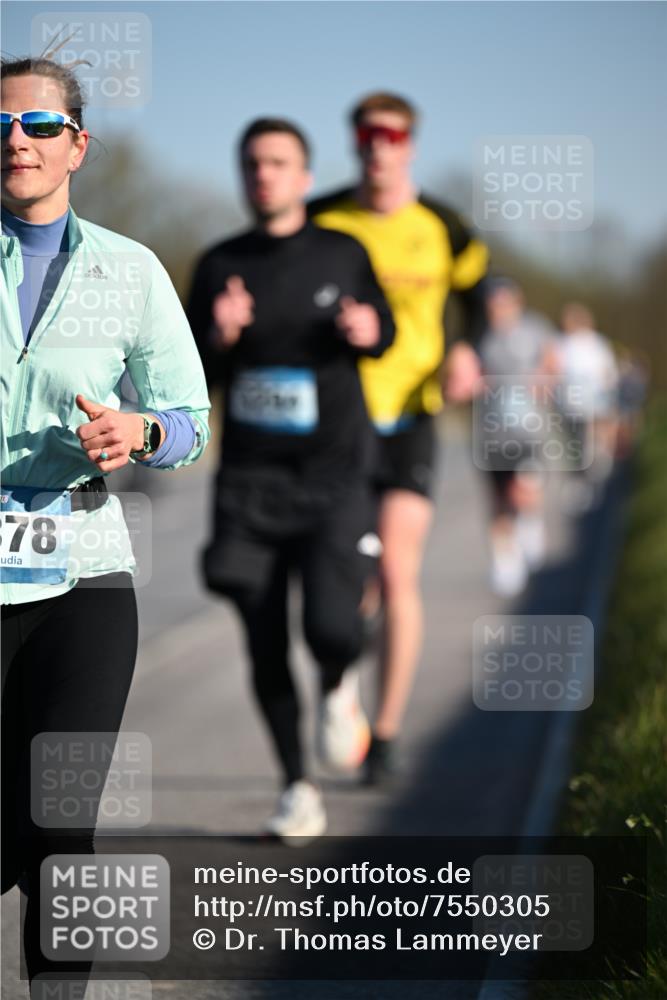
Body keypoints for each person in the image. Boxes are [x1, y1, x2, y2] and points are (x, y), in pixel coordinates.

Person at [1, 57, 210, 988]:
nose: (17, 140)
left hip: (83, 576)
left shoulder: (131, 270)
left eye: (41, 126)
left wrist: (142, 429)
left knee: (59, 825)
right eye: (2, 125)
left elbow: (189, 423)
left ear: (77, 145)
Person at [187, 118, 394, 842]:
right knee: (262, 636)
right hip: (249, 484)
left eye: (277, 163)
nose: (263, 175)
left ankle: (339, 681)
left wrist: (372, 333)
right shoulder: (219, 264)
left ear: (305, 176)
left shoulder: (343, 252)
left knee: (330, 627)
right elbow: (190, 382)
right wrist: (219, 336)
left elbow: (385, 330)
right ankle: (296, 786)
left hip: (334, 476)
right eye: (252, 163)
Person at [309, 92, 488, 782]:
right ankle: (341, 686)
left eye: (391, 135)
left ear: (409, 142)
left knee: (395, 569)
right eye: (366, 136)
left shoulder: (443, 224)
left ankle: (382, 737)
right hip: (341, 421)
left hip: (412, 415)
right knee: (352, 581)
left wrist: (467, 348)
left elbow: (477, 294)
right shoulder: (324, 219)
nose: (378, 147)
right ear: (353, 142)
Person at [475, 278, 557, 596]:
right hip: (492, 431)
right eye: (493, 303)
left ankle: (530, 522)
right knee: (497, 499)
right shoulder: (481, 334)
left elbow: (553, 361)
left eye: (503, 302)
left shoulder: (535, 328)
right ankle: (505, 561)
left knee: (524, 485)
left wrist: (545, 380)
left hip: (529, 428)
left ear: (516, 301)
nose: (498, 308)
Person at [556, 302, 619, 510]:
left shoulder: (596, 344)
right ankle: (582, 483)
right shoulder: (563, 344)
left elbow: (608, 375)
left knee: (584, 446)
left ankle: (590, 480)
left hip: (590, 405)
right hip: (570, 405)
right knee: (575, 447)